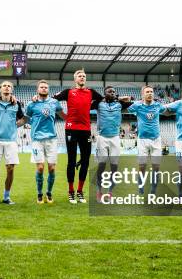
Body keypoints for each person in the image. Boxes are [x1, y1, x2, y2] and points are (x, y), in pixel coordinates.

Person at [53, 70, 103, 204]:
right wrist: (64, 115)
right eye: (80, 76)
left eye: (84, 76)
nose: (82, 77)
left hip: (86, 130)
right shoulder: (68, 92)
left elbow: (102, 100)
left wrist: (90, 106)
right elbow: (52, 100)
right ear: (75, 79)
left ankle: (80, 191)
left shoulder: (91, 92)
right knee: (71, 160)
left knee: (86, 161)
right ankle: (71, 191)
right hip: (71, 129)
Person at [24, 80, 65, 204]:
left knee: (52, 168)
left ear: (48, 89)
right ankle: (39, 193)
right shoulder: (31, 104)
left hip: (52, 139)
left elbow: (63, 115)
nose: (44, 89)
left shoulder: (54, 103)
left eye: (46, 87)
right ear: (37, 89)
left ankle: (49, 192)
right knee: (40, 168)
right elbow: (26, 118)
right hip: (37, 140)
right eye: (41, 87)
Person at [92, 86, 133, 202]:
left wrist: (120, 98)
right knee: (101, 165)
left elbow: (132, 100)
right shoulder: (98, 103)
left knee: (114, 167)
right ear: (104, 94)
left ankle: (110, 192)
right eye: (110, 91)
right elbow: (86, 105)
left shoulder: (119, 104)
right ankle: (99, 191)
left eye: (114, 92)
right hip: (102, 138)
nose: (113, 93)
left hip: (115, 138)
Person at [126, 86, 166, 196]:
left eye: (151, 92)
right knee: (142, 166)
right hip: (142, 139)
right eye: (147, 92)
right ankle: (141, 186)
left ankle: (153, 188)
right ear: (143, 94)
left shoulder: (158, 105)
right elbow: (126, 109)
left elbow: (167, 111)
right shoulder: (137, 105)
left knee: (156, 167)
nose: (150, 93)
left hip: (156, 139)